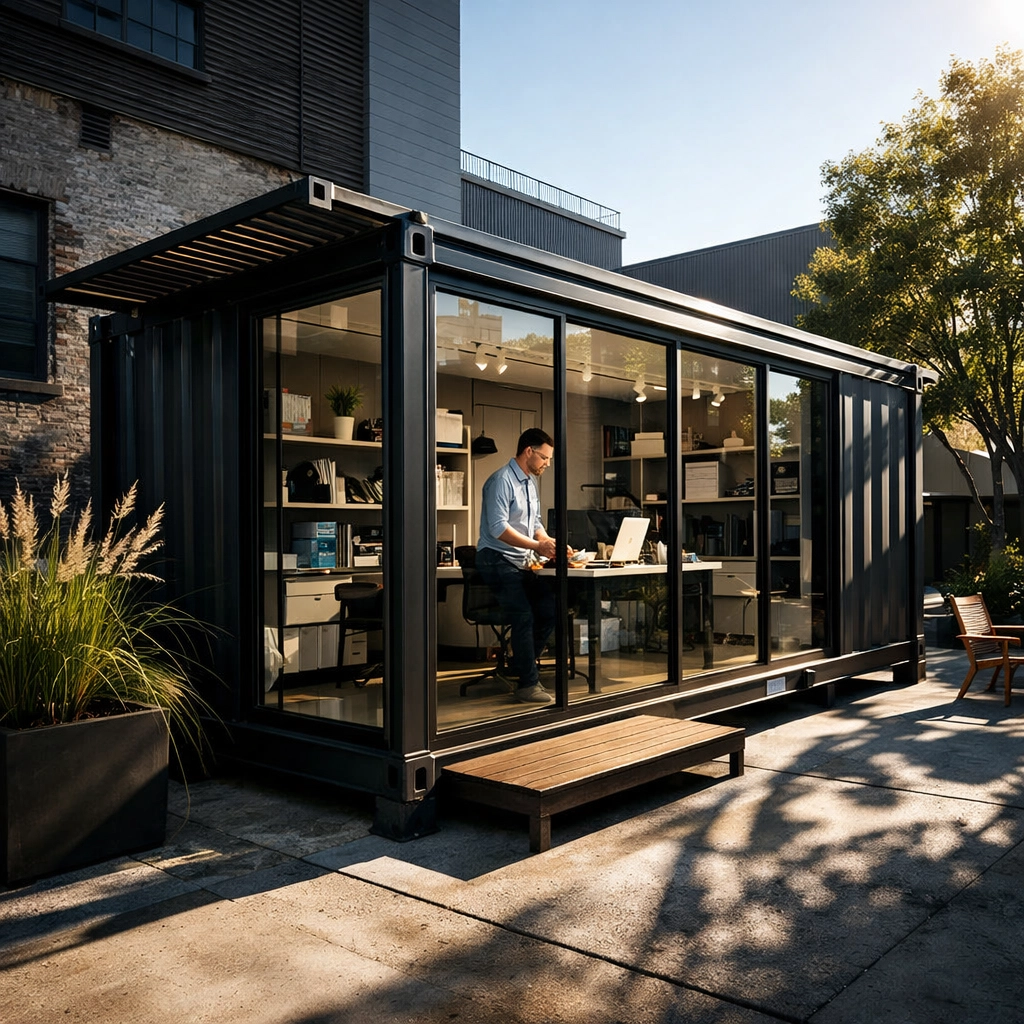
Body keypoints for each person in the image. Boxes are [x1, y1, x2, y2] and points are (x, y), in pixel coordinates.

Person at [476, 427, 570, 704]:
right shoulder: (501, 481)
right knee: (523, 615)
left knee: (550, 609)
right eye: (544, 457)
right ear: (528, 451)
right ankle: (528, 684)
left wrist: (549, 542)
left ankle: (519, 664)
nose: (547, 464)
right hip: (496, 558)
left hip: (519, 561)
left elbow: (535, 524)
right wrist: (536, 546)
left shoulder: (529, 482)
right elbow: (498, 529)